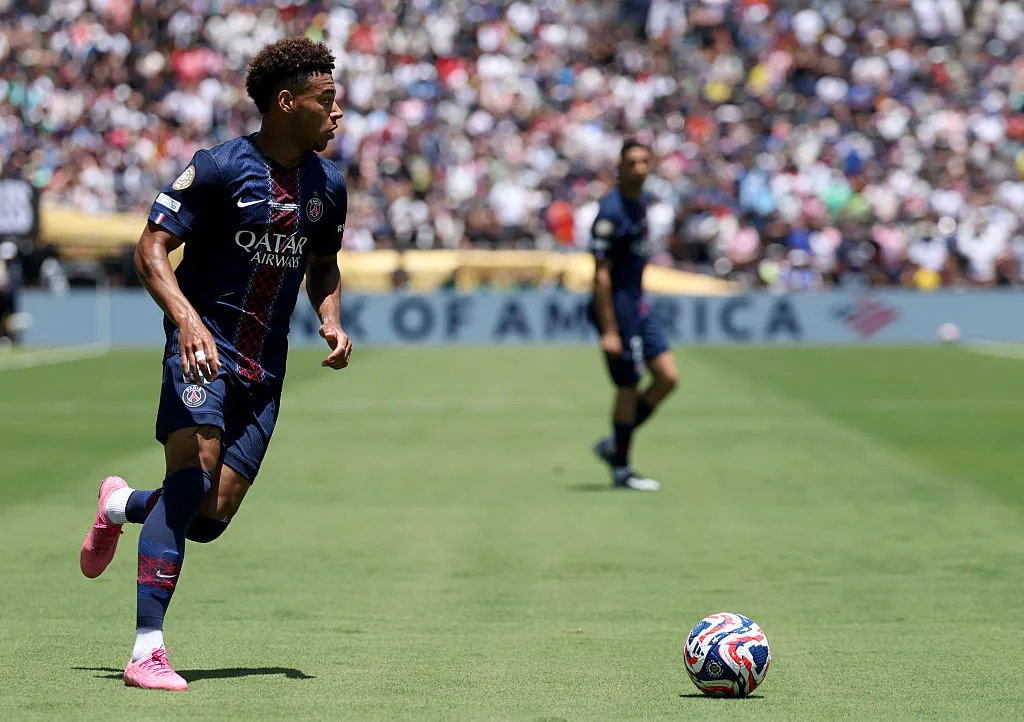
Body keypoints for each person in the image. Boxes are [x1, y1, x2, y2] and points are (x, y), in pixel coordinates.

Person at [78, 36, 352, 691]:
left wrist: (331, 317)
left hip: (266, 372)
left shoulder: (327, 186)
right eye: (326, 101)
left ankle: (119, 506)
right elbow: (150, 249)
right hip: (202, 354)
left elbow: (323, 265)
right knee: (192, 470)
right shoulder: (220, 169)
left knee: (209, 513)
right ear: (286, 104)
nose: (338, 113)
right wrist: (186, 318)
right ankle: (147, 650)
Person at [589, 140, 679, 491]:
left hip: (639, 306)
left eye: (645, 162)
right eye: (632, 163)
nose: (639, 169)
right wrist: (609, 328)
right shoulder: (611, 212)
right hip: (619, 312)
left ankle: (615, 444)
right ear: (620, 168)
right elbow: (600, 275)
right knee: (628, 386)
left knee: (668, 378)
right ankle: (622, 468)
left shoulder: (640, 204)